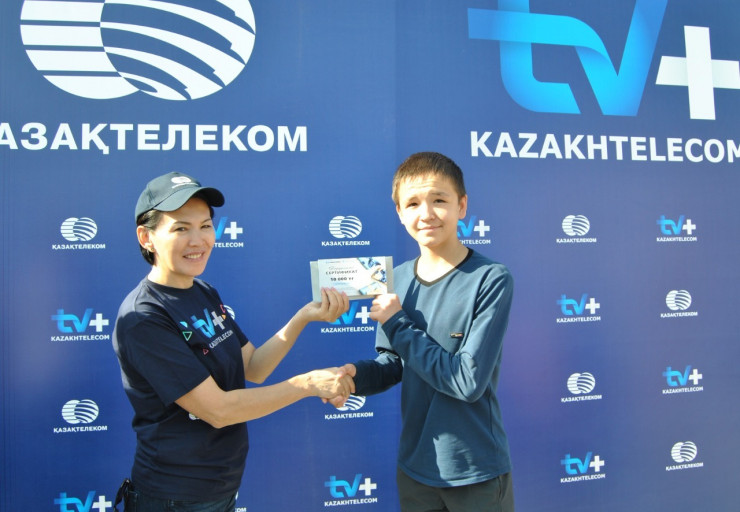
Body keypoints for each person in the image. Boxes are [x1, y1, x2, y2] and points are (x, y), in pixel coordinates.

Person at [112, 171, 354, 512]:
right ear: (146, 237)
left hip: (220, 489)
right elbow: (219, 410)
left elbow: (254, 367)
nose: (198, 240)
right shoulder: (143, 317)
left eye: (205, 225)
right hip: (174, 497)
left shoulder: (203, 291)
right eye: (181, 228)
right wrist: (308, 384)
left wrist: (303, 317)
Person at [334, 152, 515, 512]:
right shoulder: (396, 278)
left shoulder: (491, 279)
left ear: (462, 206)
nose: (426, 213)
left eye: (439, 200)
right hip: (415, 469)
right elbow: (394, 364)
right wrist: (354, 377)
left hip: (474, 471)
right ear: (400, 214)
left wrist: (396, 321)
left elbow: (467, 381)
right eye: (413, 203)